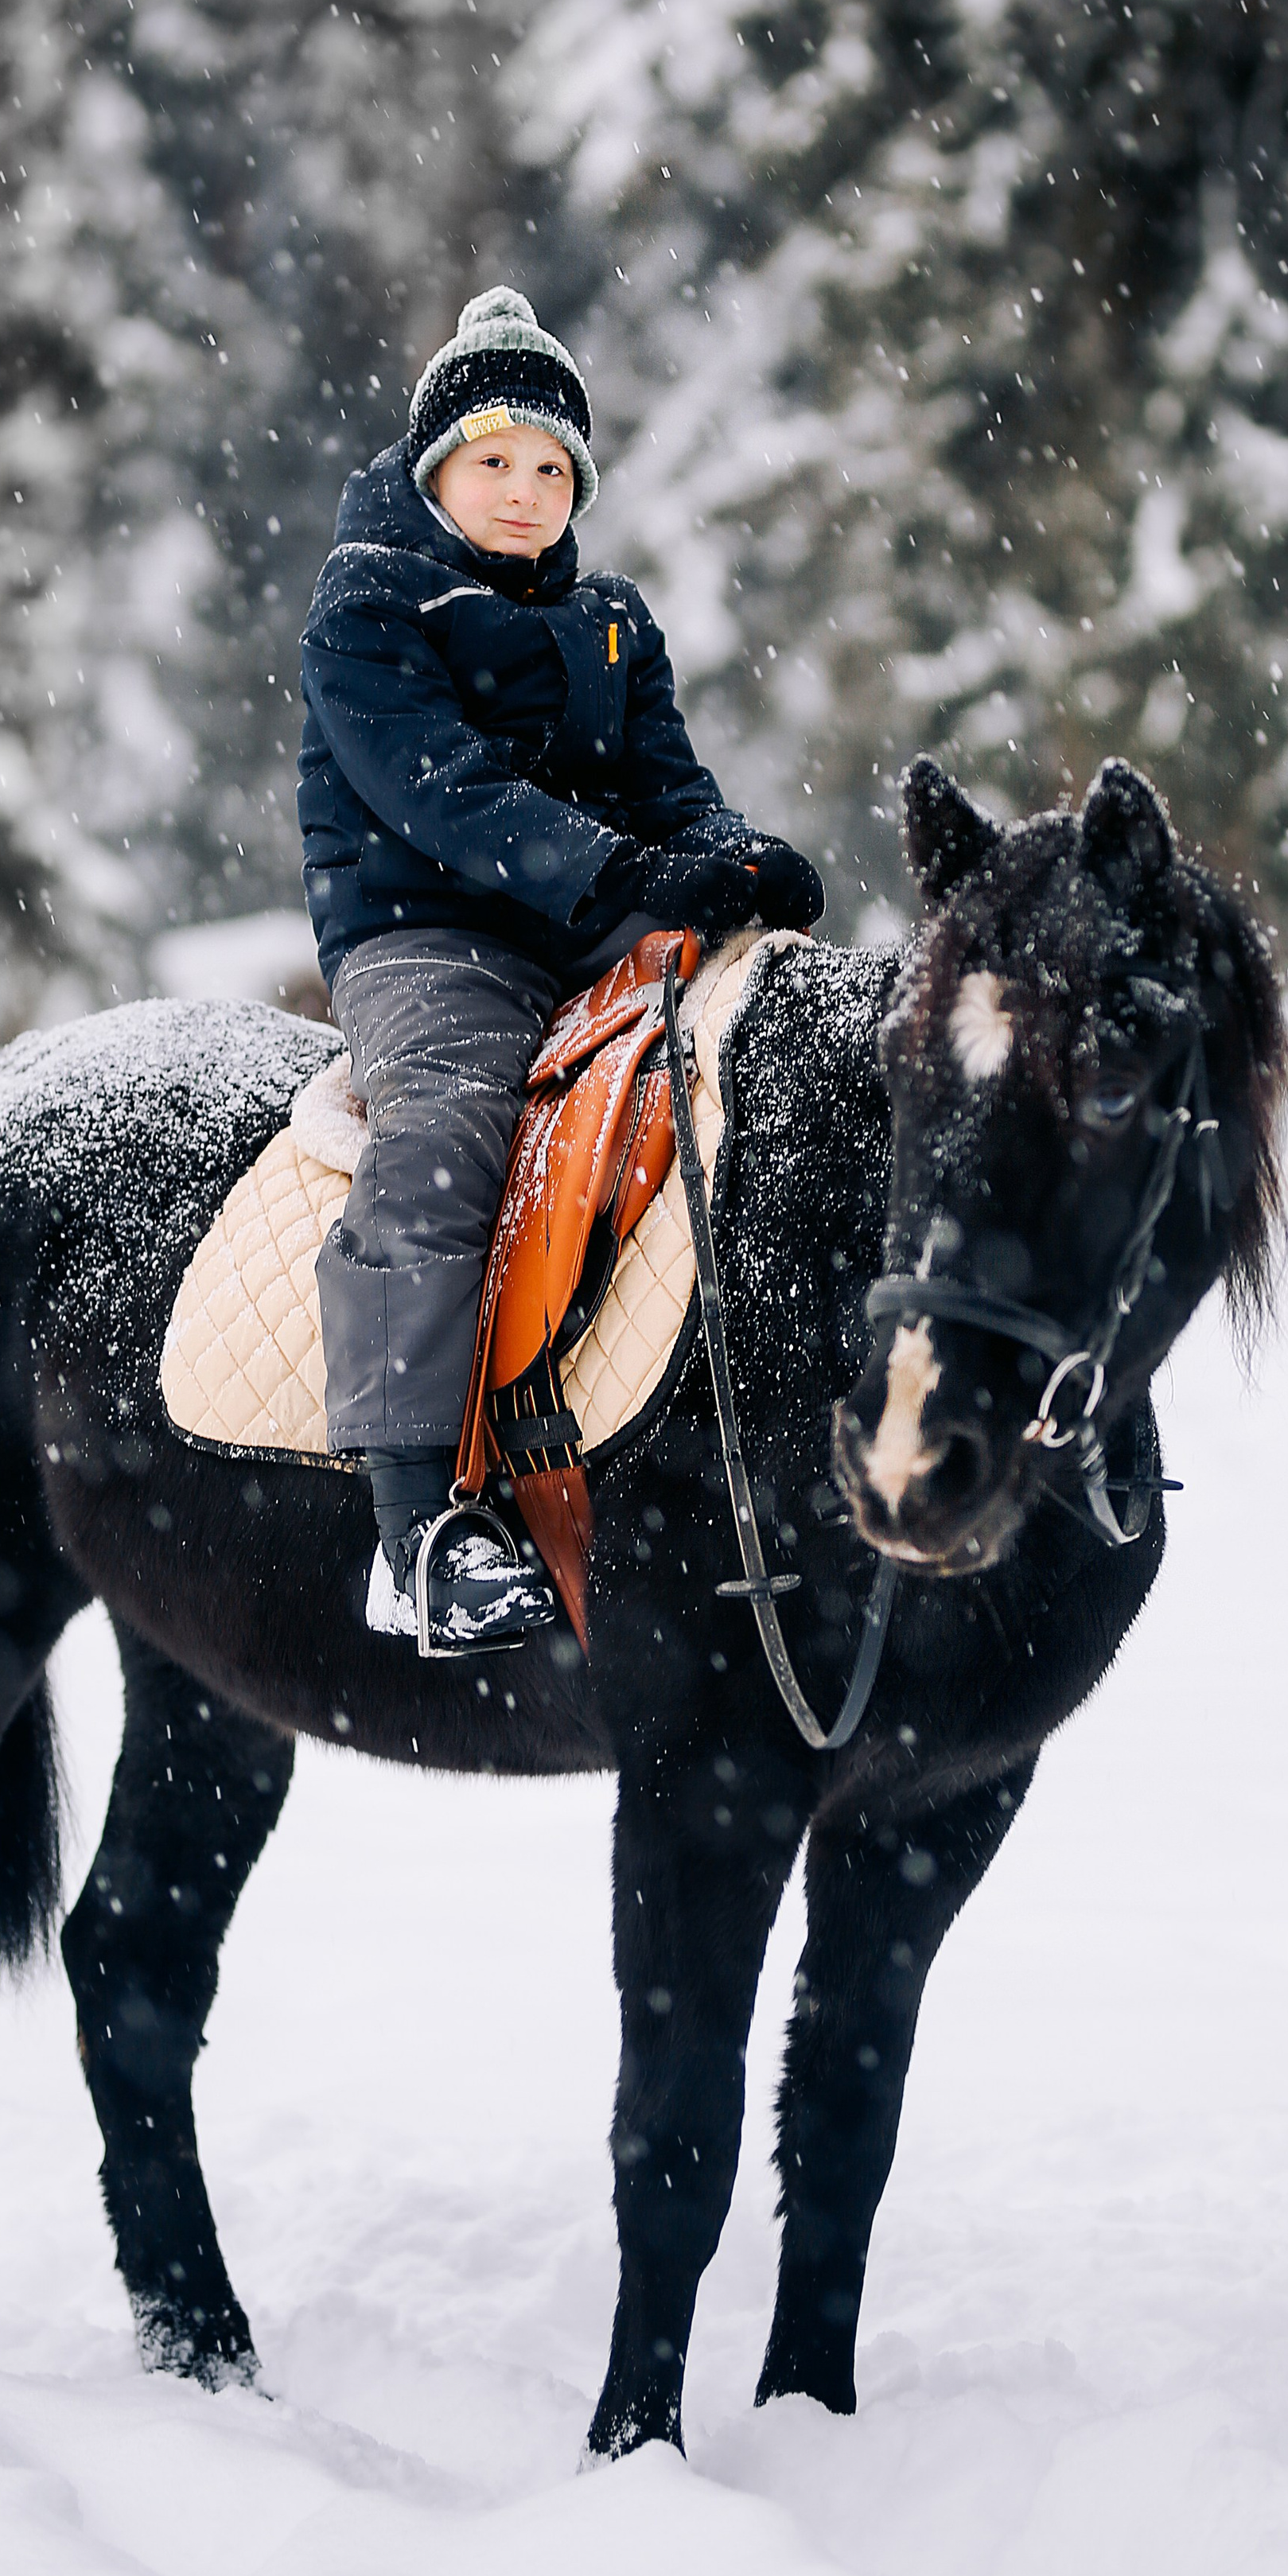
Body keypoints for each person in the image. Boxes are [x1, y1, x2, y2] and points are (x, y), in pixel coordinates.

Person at [298, 286, 823, 1655]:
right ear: (434, 471)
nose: (526, 491)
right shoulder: (369, 599)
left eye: (551, 468)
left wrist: (736, 864)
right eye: (494, 461)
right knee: (451, 1135)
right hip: (425, 932)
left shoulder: (612, 622)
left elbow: (672, 786)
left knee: (750, 1074)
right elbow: (439, 789)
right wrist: (623, 877)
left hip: (587, 923)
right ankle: (420, 1526)